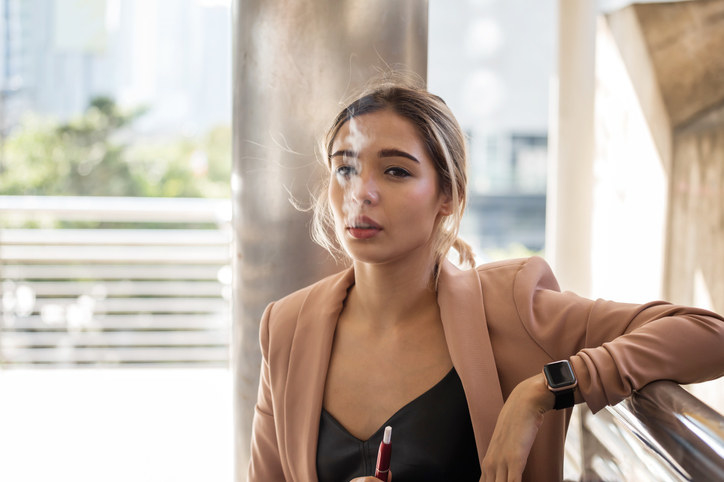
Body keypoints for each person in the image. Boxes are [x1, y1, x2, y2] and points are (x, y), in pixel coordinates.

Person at [246, 79, 724, 482]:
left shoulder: (512, 306)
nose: (362, 192)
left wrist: (544, 390)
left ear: (447, 195)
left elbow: (708, 332)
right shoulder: (287, 326)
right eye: (345, 167)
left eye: (394, 171)